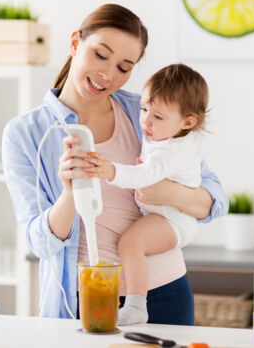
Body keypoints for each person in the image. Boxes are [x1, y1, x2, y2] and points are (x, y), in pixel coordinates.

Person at [2, 3, 228, 325]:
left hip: (163, 291)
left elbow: (215, 198)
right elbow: (40, 243)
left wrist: (165, 192)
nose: (107, 75)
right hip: (84, 297)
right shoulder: (26, 134)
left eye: (124, 67)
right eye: (100, 54)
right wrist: (69, 195)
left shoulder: (147, 113)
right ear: (75, 43)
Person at [84, 63, 210, 325]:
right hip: (165, 217)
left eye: (158, 117)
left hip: (172, 221)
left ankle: (136, 305)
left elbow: (145, 176)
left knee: (130, 245)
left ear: (187, 122)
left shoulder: (172, 150)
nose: (146, 121)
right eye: (143, 109)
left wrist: (110, 170)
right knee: (132, 244)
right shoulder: (169, 132)